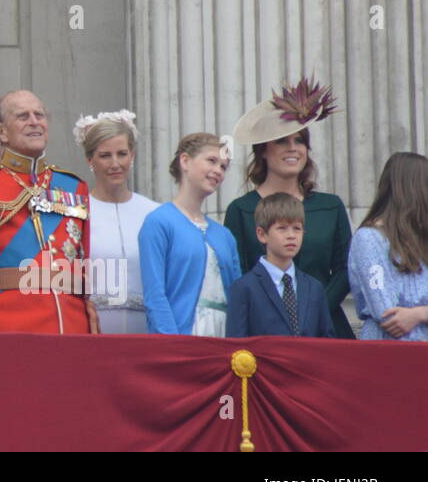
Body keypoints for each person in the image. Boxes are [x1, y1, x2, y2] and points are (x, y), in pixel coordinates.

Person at [0, 91, 96, 333]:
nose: (34, 121)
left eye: (39, 115)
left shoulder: (74, 186)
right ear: (2, 131)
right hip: (6, 329)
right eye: (22, 116)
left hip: (71, 325)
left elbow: (83, 262)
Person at [225, 77, 353, 337]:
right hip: (265, 332)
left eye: (300, 140)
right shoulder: (241, 209)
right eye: (282, 141)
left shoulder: (330, 206)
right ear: (262, 151)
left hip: (326, 326)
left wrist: (312, 310)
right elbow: (239, 273)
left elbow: (345, 271)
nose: (292, 148)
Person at [139, 133, 241, 336]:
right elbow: (155, 295)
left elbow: (237, 297)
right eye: (212, 161)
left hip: (224, 339)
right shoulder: (159, 222)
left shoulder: (224, 235)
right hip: (181, 336)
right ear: (185, 161)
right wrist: (172, 344)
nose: (218, 171)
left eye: (223, 166)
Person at [74, 110, 159, 333]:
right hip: (93, 332)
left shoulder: (154, 213)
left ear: (132, 155)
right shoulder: (77, 212)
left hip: (146, 332)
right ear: (89, 159)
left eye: (122, 154)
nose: (115, 163)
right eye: (105, 155)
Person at [226, 193, 334, 337]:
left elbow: (326, 340)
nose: (291, 235)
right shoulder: (244, 288)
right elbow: (237, 343)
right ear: (262, 234)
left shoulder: (314, 288)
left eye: (297, 228)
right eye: (282, 228)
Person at [347, 152, 428, 341]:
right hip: (389, 352)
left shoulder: (423, 238)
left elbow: (409, 317)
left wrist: (418, 314)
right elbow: (388, 314)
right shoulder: (369, 239)